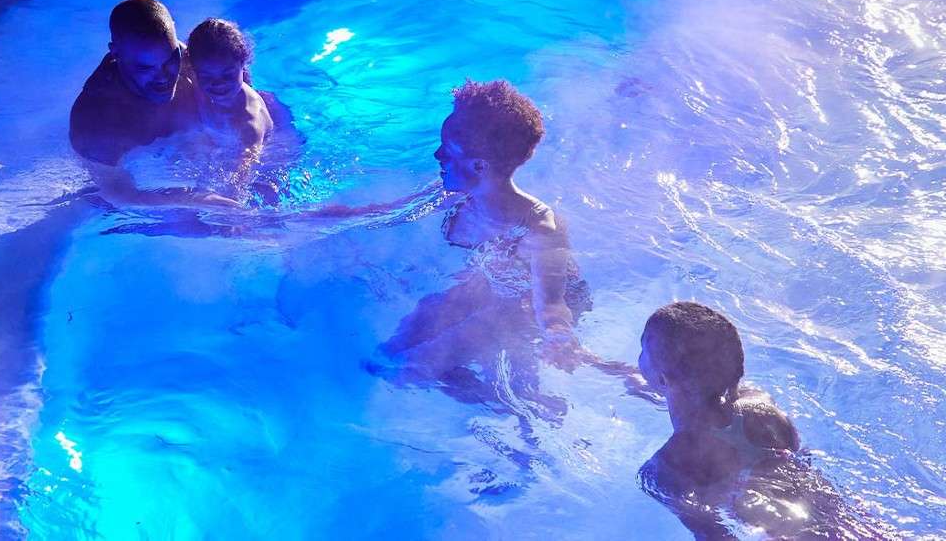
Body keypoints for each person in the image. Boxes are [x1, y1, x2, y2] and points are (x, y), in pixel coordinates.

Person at [367, 80, 616, 413]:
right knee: (385, 356)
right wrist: (296, 221)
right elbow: (382, 215)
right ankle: (492, 386)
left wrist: (558, 335)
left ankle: (523, 404)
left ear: (479, 166)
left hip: (526, 307)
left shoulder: (539, 227)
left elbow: (551, 305)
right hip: (488, 286)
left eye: (447, 149)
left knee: (409, 369)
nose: (437, 155)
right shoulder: (453, 192)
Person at [638, 302, 895, 539]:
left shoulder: (665, 470)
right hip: (865, 527)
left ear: (663, 379)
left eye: (642, 351)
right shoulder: (764, 410)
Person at [69, 0, 232, 207]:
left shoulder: (191, 61)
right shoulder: (95, 119)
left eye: (171, 59)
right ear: (115, 53)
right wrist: (193, 199)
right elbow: (119, 196)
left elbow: (245, 97)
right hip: (140, 176)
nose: (163, 77)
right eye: (145, 68)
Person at [185, 18, 275, 181]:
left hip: (269, 156)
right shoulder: (195, 66)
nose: (218, 83)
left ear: (242, 64)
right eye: (206, 76)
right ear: (194, 69)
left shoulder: (249, 121)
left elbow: (245, 171)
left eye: (227, 75)